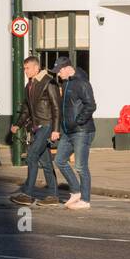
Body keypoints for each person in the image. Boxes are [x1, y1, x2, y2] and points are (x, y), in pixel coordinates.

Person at [9, 56, 62, 207]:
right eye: (24, 68)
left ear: (36, 68)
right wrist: (17, 124)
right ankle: (53, 195)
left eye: (27, 68)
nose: (25, 71)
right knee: (45, 162)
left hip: (47, 125)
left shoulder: (48, 82)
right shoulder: (29, 85)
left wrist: (56, 129)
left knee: (32, 156)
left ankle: (27, 194)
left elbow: (56, 107)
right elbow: (27, 109)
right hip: (37, 127)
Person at [50, 57, 96, 211]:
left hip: (82, 131)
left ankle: (85, 199)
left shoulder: (82, 83)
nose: (58, 74)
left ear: (67, 68)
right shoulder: (66, 82)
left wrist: (78, 121)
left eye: (59, 71)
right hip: (68, 131)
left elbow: (91, 105)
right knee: (60, 160)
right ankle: (76, 191)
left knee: (81, 166)